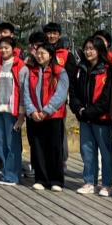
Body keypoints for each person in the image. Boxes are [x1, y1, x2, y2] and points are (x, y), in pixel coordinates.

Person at [70, 36, 112, 196]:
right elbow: (73, 93)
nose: (88, 52)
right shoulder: (80, 69)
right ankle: (90, 182)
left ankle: (107, 184)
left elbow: (107, 96)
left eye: (92, 49)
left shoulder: (108, 69)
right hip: (84, 118)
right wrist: (79, 109)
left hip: (102, 119)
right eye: (86, 49)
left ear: (99, 50)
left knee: (106, 152)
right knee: (87, 151)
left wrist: (91, 111)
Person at [21, 43, 69, 192]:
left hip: (53, 116)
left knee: (54, 148)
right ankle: (41, 178)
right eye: (38, 53)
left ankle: (56, 180)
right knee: (38, 147)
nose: (40, 56)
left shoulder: (59, 71)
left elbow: (61, 94)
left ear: (51, 55)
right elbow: (26, 93)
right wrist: (32, 110)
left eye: (43, 53)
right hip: (35, 115)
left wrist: (46, 110)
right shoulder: (32, 71)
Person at [0, 37, 25, 186]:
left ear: (13, 49)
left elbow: (23, 90)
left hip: (12, 111)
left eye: (7, 47)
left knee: (12, 145)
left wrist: (22, 113)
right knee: (0, 143)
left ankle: (13, 175)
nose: (3, 50)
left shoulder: (20, 65)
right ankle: (6, 172)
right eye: (1, 47)